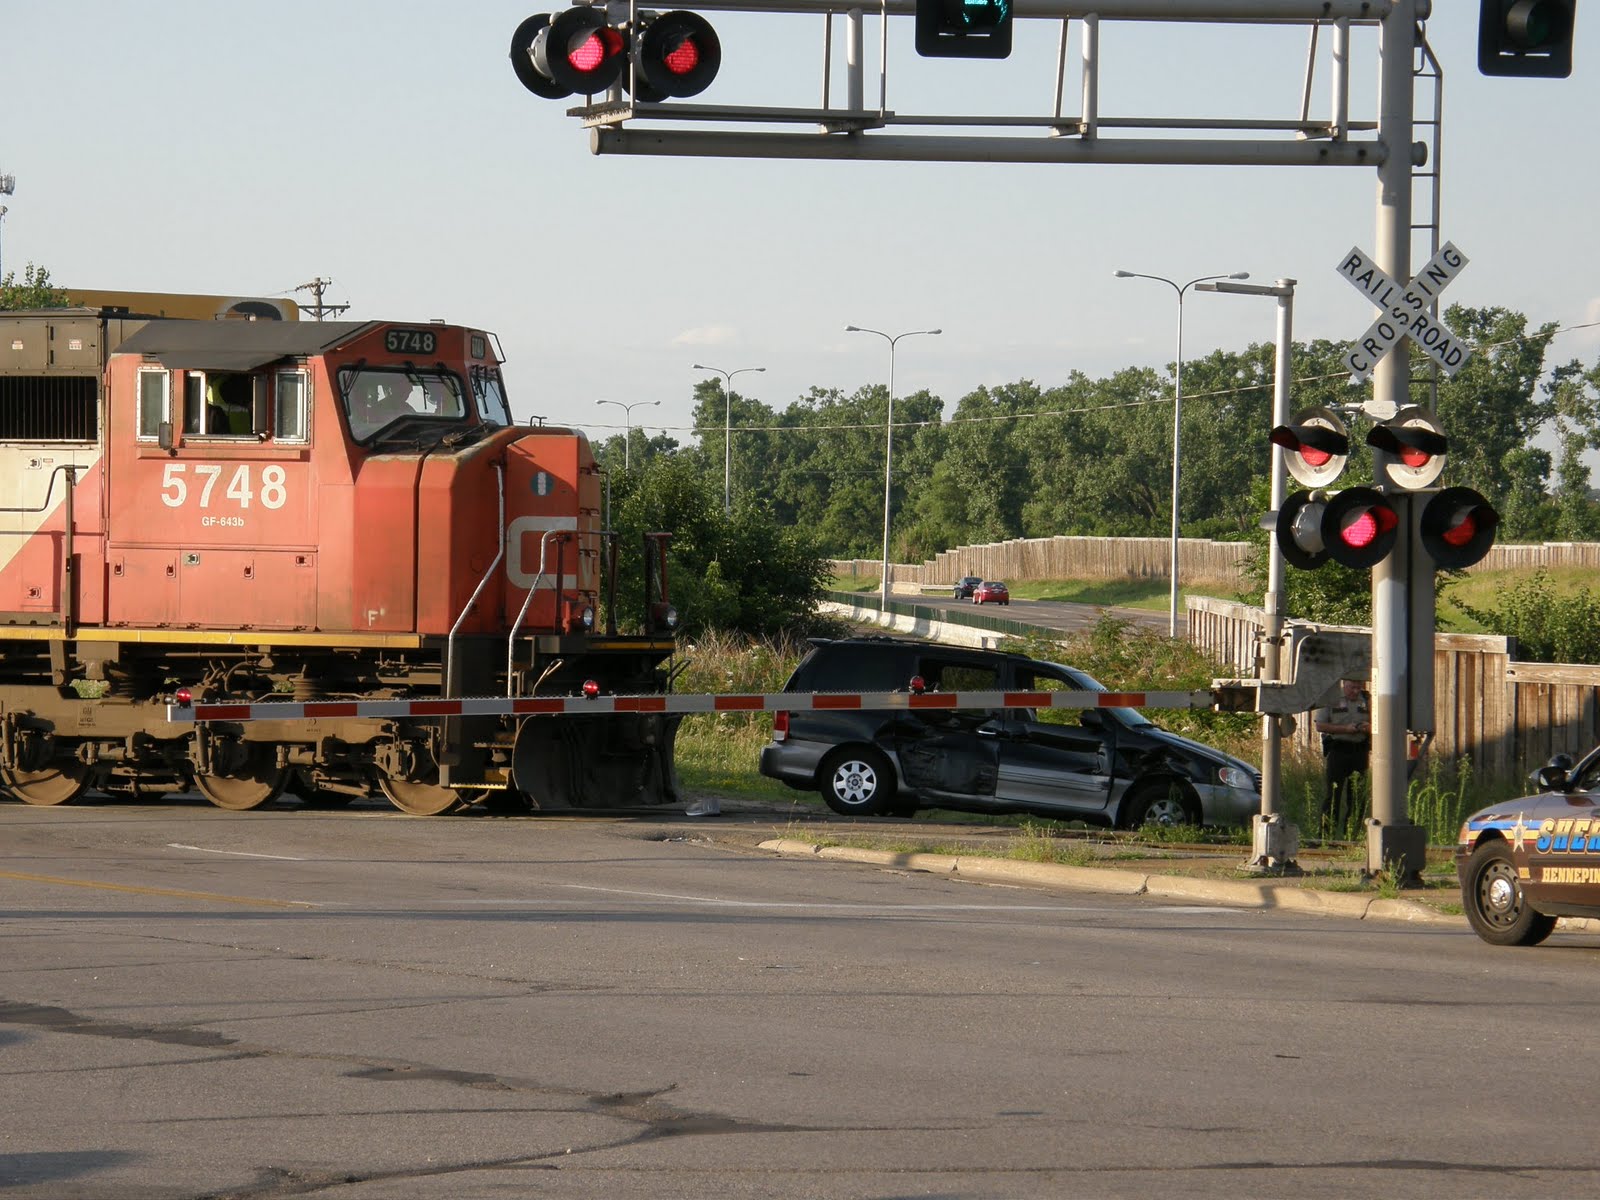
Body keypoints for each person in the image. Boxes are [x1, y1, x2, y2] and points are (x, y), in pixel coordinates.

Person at [1315, 678, 1370, 834]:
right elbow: (1320, 725)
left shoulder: (1367, 699)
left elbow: (1379, 722)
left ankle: (1352, 834)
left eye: (1358, 688)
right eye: (1352, 687)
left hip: (1359, 751)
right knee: (1333, 795)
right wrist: (1345, 728)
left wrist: (1368, 727)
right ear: (1344, 684)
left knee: (1357, 796)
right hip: (1338, 750)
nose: (1355, 691)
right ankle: (1326, 835)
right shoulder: (1331, 698)